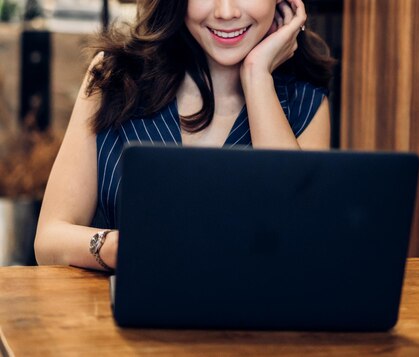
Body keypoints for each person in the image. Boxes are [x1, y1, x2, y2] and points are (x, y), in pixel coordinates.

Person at [34, 0, 335, 271]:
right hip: (129, 322)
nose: (225, 12)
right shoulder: (116, 76)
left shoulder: (303, 103)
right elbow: (49, 239)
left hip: (254, 327)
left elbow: (300, 247)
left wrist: (257, 77)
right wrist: (118, 248)